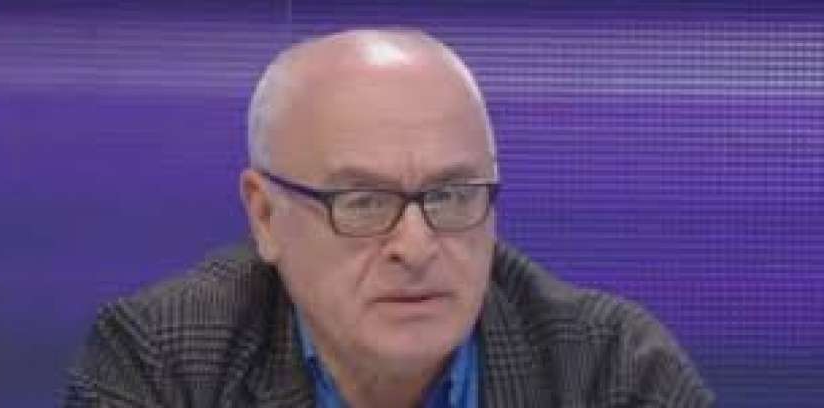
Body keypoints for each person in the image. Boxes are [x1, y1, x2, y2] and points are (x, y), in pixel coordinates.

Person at [64, 29, 714, 407]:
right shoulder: (166, 364)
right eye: (364, 202)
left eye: (451, 195)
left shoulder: (613, 373)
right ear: (265, 216)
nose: (417, 245)